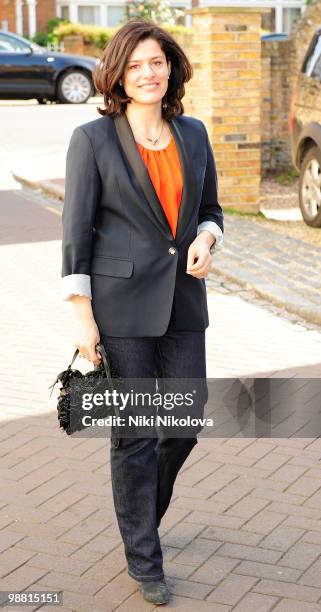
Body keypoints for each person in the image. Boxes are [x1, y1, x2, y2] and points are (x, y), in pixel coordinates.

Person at [61, 18, 224, 605]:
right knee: (132, 433)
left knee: (184, 420)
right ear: (119, 75)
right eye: (135, 65)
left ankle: (141, 515)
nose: (148, 73)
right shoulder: (94, 140)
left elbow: (210, 209)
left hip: (183, 302)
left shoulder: (194, 133)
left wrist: (207, 239)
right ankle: (143, 556)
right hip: (120, 305)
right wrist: (83, 316)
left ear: (171, 67)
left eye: (156, 62)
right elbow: (76, 234)